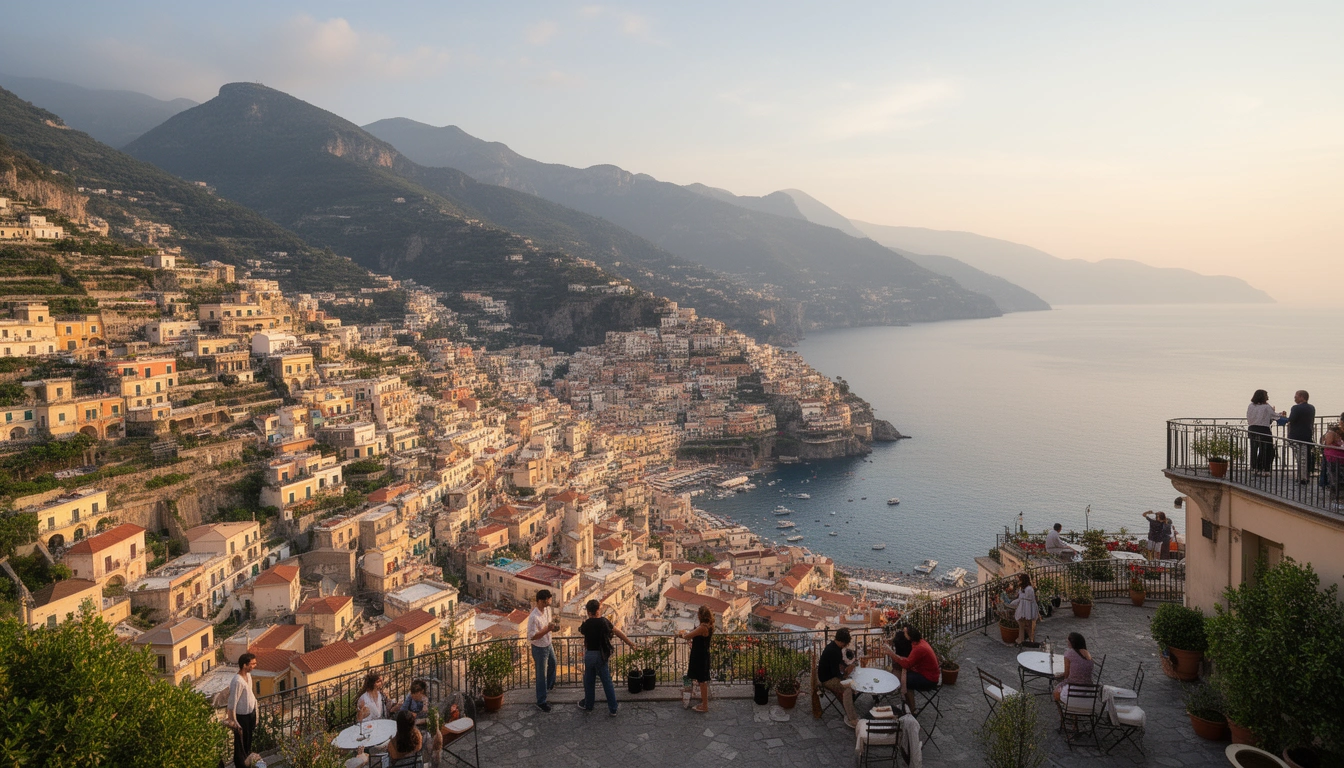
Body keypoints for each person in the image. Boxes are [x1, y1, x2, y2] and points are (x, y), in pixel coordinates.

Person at [576, 598, 634, 715]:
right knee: (607, 682)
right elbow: (617, 632)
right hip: (601, 655)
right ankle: (613, 708)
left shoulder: (586, 624)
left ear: (588, 611)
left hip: (590, 655)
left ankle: (589, 705)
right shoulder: (604, 622)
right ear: (599, 609)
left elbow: (582, 631)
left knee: (589, 681)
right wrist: (631, 644)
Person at [883, 624, 940, 714]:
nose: (903, 633)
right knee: (905, 676)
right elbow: (909, 661)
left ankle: (911, 709)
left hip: (929, 679)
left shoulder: (919, 648)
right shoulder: (920, 642)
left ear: (909, 636)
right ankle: (908, 705)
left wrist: (891, 654)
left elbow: (907, 664)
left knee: (905, 680)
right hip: (928, 673)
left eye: (905, 632)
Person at [818, 627, 860, 728]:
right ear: (843, 642)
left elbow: (837, 666)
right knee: (848, 689)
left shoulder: (833, 647)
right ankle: (852, 719)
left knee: (849, 683)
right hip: (827, 679)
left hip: (826, 675)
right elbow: (835, 673)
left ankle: (850, 705)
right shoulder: (834, 652)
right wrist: (845, 674)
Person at [678, 606, 715, 713]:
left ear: (701, 616)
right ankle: (703, 703)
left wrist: (682, 634)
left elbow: (687, 636)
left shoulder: (702, 628)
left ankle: (705, 705)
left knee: (702, 681)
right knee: (701, 680)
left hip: (700, 656)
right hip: (702, 654)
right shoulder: (708, 626)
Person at [528, 588, 558, 712]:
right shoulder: (533, 617)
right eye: (547, 600)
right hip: (539, 648)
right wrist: (548, 630)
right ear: (541, 601)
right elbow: (532, 636)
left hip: (548, 644)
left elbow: (548, 625)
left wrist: (553, 628)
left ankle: (547, 687)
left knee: (554, 663)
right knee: (541, 675)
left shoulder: (547, 610)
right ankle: (541, 701)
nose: (549, 603)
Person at [226, 653, 258, 768]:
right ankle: (241, 764)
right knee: (241, 743)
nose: (255, 665)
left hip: (250, 714)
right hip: (241, 717)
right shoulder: (237, 681)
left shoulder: (248, 676)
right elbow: (232, 702)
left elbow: (250, 694)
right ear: (245, 665)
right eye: (252, 663)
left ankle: (247, 762)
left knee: (248, 740)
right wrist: (234, 722)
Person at [1279, 390, 1317, 484]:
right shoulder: (1312, 408)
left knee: (1299, 457)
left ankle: (1302, 477)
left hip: (1296, 436)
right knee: (1304, 457)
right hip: (1307, 435)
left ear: (1301, 397)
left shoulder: (1296, 408)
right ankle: (1304, 476)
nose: (1294, 398)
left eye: (1296, 396)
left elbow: (1291, 419)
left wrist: (1283, 417)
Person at [1052, 632, 1096, 702]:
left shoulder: (1069, 654)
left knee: (1056, 693)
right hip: (1088, 689)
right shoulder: (1087, 653)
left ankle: (1064, 710)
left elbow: (1067, 675)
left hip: (1074, 689)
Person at [1247, 390, 1280, 474]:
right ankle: (1265, 469)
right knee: (1267, 449)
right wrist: (1281, 414)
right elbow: (1275, 416)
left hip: (1252, 429)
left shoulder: (1251, 406)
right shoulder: (1266, 406)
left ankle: (1254, 468)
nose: (1268, 398)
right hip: (1263, 430)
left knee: (1254, 449)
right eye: (1266, 396)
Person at [1010, 572, 1039, 647]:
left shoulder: (1029, 589)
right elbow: (1021, 599)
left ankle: (1026, 640)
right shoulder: (1023, 588)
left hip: (1026, 610)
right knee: (1023, 624)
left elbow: (1028, 601)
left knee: (1026, 625)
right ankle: (1024, 640)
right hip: (1024, 609)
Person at [1320, 415, 1344, 495]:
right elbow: (1327, 444)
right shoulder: (1333, 433)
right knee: (1334, 475)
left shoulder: (1334, 433)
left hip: (1336, 457)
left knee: (1335, 475)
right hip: (1334, 457)